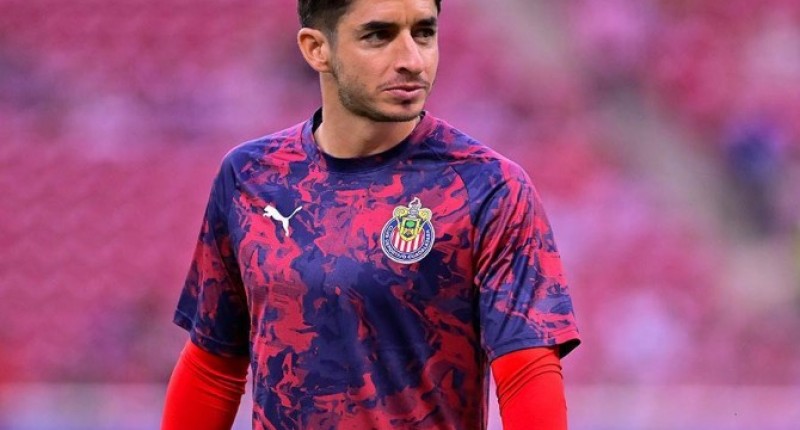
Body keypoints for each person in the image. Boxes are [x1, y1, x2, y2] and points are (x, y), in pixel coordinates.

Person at [161, 0, 580, 429]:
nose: (412, 59)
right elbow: (213, 364)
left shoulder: (487, 188)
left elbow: (528, 373)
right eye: (379, 35)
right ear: (316, 49)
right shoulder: (249, 176)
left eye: (424, 33)